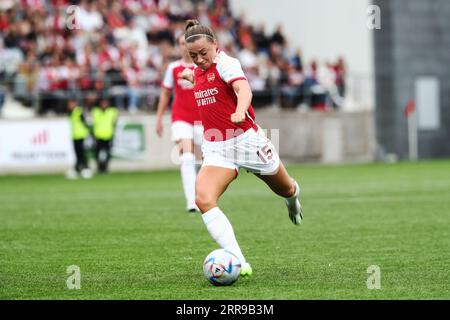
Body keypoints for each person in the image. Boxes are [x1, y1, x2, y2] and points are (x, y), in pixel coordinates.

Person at [181, 20, 304, 278]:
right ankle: (238, 260)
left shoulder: (227, 63)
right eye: (193, 55)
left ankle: (292, 200)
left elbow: (243, 89)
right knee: (203, 199)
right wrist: (191, 75)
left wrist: (239, 110)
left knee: (285, 188)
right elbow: (205, 80)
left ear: (215, 44)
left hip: (247, 141)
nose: (199, 59)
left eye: (203, 53)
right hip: (217, 148)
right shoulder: (198, 69)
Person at [155, 34, 203, 213]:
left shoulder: (202, 66)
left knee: (204, 160)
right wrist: (159, 118)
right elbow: (165, 93)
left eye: (187, 43)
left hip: (202, 119)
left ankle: (203, 194)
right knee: (187, 157)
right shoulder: (173, 68)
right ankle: (191, 201)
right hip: (181, 118)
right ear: (178, 46)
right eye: (182, 43)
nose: (184, 46)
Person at [66, 98, 93, 179]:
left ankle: (86, 168)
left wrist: (88, 133)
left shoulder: (79, 111)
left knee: (82, 153)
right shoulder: (71, 112)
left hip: (81, 135)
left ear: (75, 103)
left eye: (71, 103)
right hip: (75, 135)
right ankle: (77, 169)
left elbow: (85, 122)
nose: (69, 105)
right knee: (78, 153)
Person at [91, 97, 118, 174]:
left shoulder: (112, 111)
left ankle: (105, 168)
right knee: (97, 153)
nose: (104, 104)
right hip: (98, 136)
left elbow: (114, 122)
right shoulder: (96, 111)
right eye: (103, 103)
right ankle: (99, 167)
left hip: (108, 135)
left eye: (105, 103)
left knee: (107, 152)